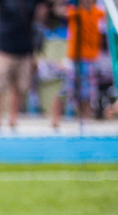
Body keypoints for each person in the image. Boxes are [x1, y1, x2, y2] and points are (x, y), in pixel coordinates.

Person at [0, 0, 49, 130]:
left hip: (25, 49)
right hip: (4, 49)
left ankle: (13, 119)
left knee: (19, 87)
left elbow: (43, 12)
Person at [50, 0, 106, 128]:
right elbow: (58, 10)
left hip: (90, 59)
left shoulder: (98, 12)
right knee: (67, 89)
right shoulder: (74, 11)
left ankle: (84, 120)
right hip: (75, 58)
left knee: (88, 92)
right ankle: (55, 119)